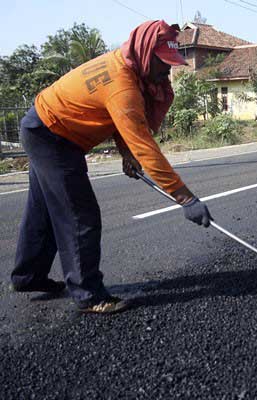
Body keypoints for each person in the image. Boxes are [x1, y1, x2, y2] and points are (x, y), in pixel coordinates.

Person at [10, 20, 211, 314]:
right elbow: (146, 146)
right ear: (145, 53)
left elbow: (115, 119)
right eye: (164, 62)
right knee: (80, 215)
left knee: (43, 208)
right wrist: (185, 198)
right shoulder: (123, 86)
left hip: (43, 126)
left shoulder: (125, 66)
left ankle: (28, 277)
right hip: (51, 135)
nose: (168, 70)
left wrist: (126, 154)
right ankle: (89, 294)